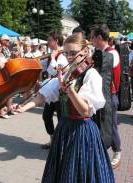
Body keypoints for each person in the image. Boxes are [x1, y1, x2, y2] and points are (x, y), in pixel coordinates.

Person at [15, 33, 115, 182]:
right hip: (64, 128)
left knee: (79, 172)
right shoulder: (66, 74)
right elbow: (42, 96)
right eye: (66, 53)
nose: (69, 57)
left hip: (82, 130)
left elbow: (85, 110)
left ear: (85, 52)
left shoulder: (91, 75)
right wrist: (22, 108)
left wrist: (71, 90)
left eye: (73, 53)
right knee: (62, 171)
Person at [90, 24, 122, 169]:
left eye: (92, 37)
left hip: (110, 95)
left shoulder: (112, 53)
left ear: (98, 38)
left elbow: (105, 68)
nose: (90, 40)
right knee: (100, 124)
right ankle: (101, 152)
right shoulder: (99, 52)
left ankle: (117, 152)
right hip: (100, 94)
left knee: (111, 125)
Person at [40, 30, 68, 149]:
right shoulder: (53, 53)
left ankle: (61, 144)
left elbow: (56, 71)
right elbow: (46, 69)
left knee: (62, 119)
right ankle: (52, 140)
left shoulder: (62, 55)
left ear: (56, 41)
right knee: (46, 116)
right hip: (51, 91)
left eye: (50, 40)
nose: (47, 42)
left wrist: (52, 58)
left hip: (60, 91)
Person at [0, 41, 15, 118]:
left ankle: (9, 109)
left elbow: (6, 64)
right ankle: (2, 112)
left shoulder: (2, 55)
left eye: (0, 46)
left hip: (5, 75)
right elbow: (2, 65)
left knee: (11, 93)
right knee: (2, 95)